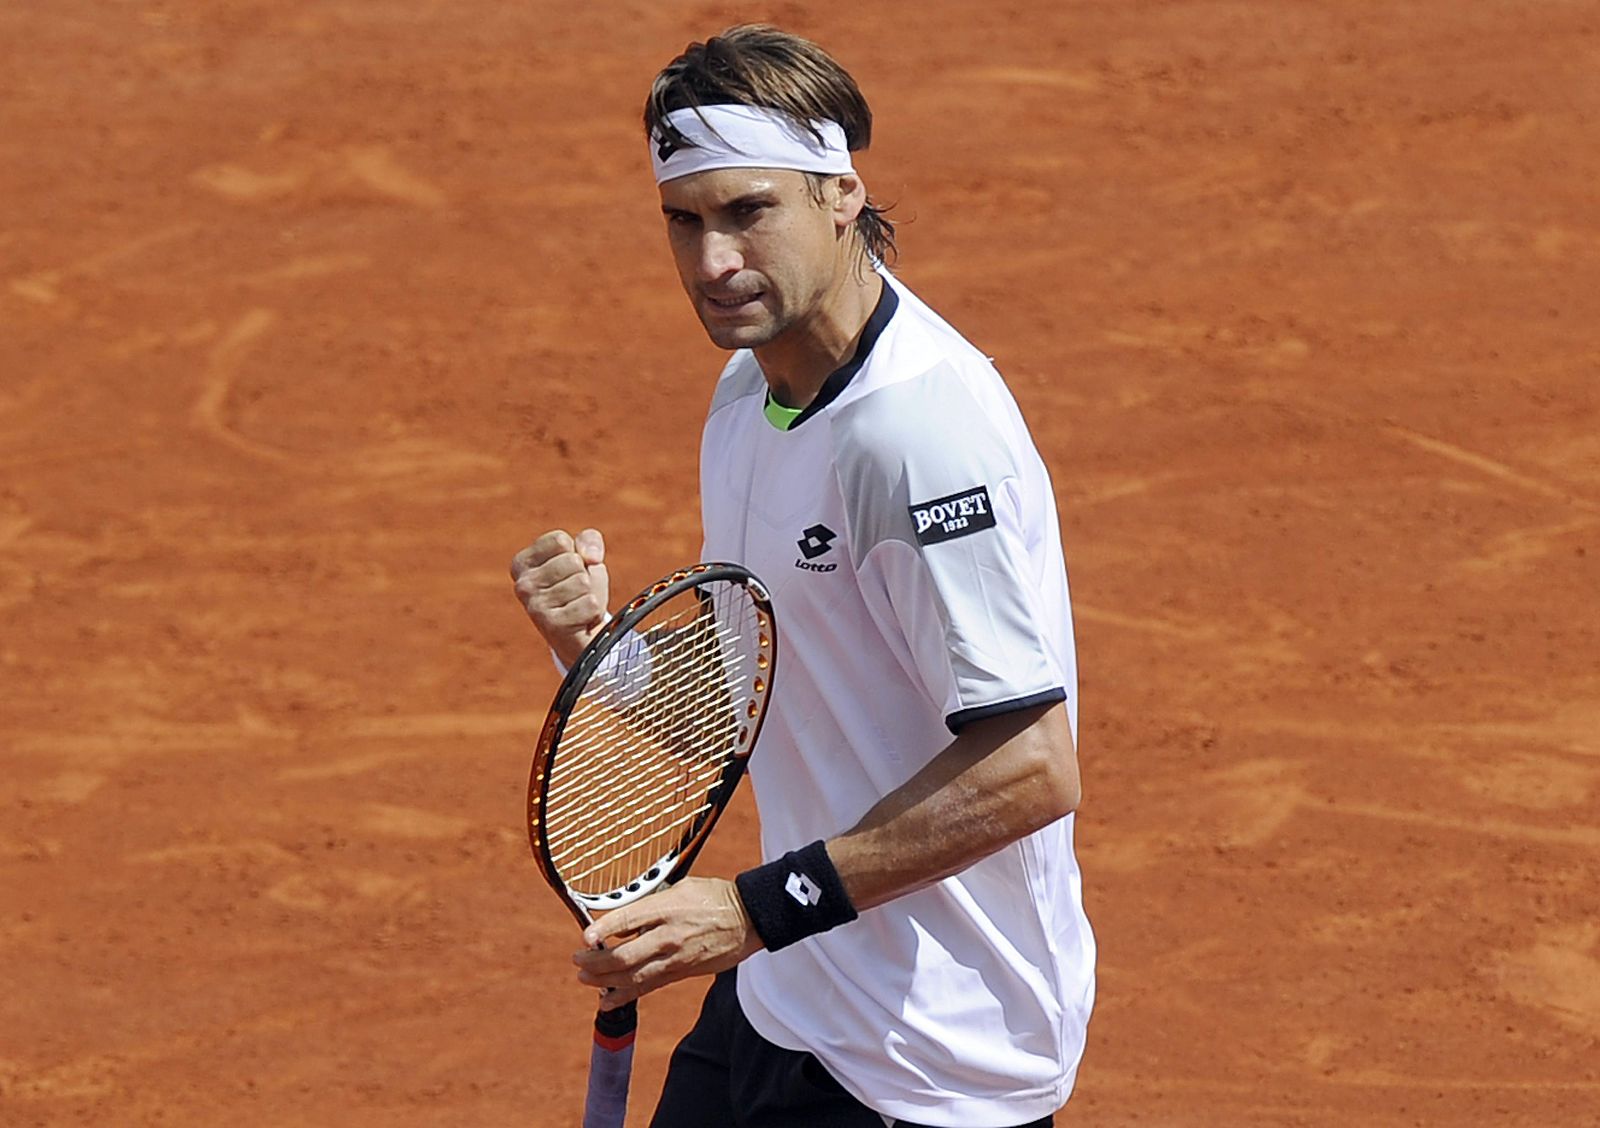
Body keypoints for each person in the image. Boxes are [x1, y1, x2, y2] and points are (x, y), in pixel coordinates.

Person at [510, 25, 1094, 1128]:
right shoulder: (748, 395)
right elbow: (755, 695)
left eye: (747, 212)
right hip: (790, 994)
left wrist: (747, 911)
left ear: (840, 192)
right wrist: (597, 653)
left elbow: (1030, 769)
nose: (711, 263)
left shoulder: (916, 436)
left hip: (927, 1057)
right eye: (682, 221)